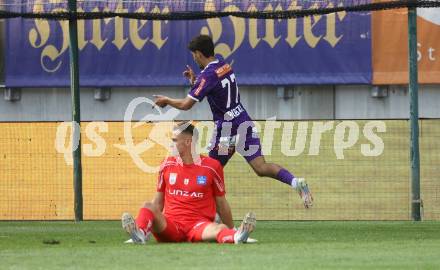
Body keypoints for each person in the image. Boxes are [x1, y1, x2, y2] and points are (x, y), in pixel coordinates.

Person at [153, 35, 313, 208]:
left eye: (194, 56)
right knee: (261, 167)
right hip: (243, 123)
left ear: (199, 54)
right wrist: (194, 81)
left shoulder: (206, 77)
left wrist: (167, 100)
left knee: (211, 170)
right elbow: (213, 87)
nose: (194, 59)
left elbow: (186, 104)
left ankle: (209, 215)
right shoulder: (223, 65)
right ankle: (296, 182)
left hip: (227, 132)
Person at [122, 122, 256, 244]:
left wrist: (232, 228)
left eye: (174, 140)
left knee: (219, 228)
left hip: (199, 226)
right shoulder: (166, 164)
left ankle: (237, 236)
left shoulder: (212, 167)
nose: (170, 144)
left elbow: (221, 203)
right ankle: (140, 234)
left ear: (187, 142)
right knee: (147, 206)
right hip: (171, 226)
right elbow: (158, 202)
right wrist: (151, 221)